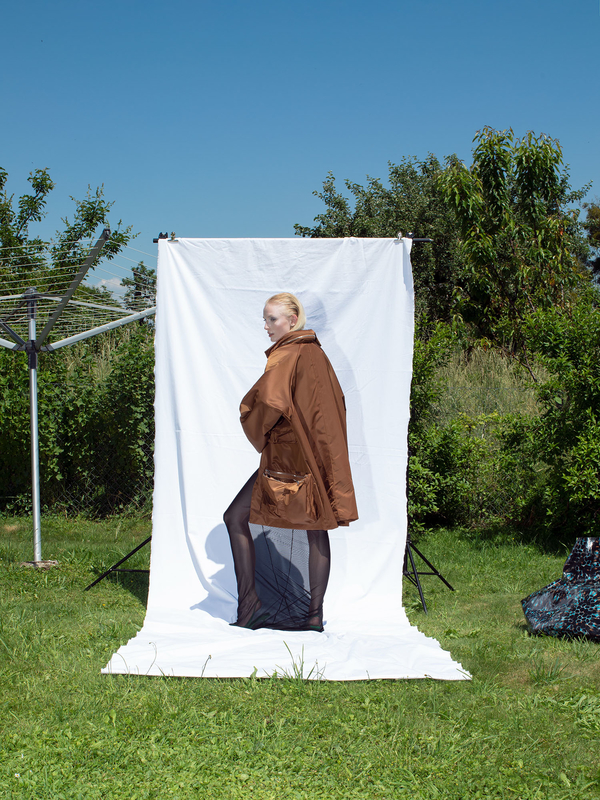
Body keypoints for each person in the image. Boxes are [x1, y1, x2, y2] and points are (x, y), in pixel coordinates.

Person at [223, 292, 358, 632]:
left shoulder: (286, 353)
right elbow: (334, 407)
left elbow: (268, 402)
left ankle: (251, 606)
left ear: (293, 320)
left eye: (272, 319)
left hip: (286, 461)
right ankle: (313, 615)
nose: (266, 326)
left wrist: (252, 420)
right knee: (316, 525)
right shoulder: (316, 353)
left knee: (235, 517)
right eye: (265, 319)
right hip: (314, 457)